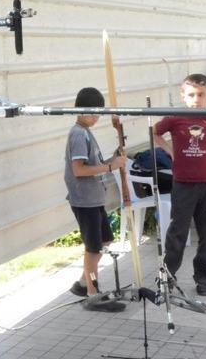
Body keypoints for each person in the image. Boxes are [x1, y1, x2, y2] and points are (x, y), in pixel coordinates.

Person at [153, 74, 206, 296]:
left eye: (201, 95)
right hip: (183, 184)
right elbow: (155, 132)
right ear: (183, 96)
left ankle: (202, 277)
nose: (196, 99)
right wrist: (171, 151)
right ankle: (168, 275)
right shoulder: (176, 118)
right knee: (177, 230)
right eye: (191, 95)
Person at [64, 87, 127, 311]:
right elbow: (79, 170)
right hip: (84, 199)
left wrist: (114, 158)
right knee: (93, 248)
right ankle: (92, 293)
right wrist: (111, 166)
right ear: (80, 110)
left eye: (98, 113)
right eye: (93, 112)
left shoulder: (86, 132)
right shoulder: (78, 134)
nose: (96, 117)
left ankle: (83, 283)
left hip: (94, 198)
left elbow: (94, 166)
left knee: (104, 241)